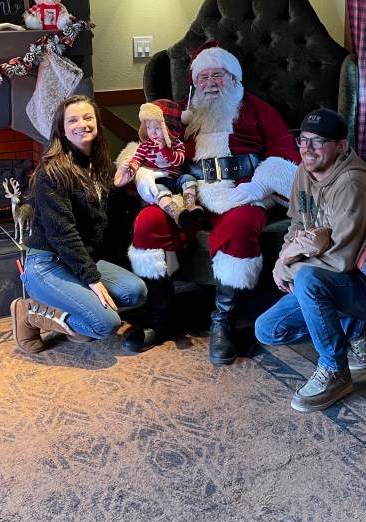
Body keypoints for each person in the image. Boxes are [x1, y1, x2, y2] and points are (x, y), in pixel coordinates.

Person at [123, 42, 299, 362]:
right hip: (186, 192)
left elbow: (285, 152)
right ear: (194, 82)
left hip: (240, 192)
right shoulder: (179, 112)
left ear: (233, 77)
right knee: (148, 223)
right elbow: (150, 144)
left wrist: (261, 184)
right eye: (203, 77)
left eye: (217, 75)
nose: (210, 83)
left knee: (241, 227)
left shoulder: (257, 109)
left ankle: (223, 322)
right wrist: (146, 174)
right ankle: (161, 317)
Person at [254, 107, 366, 413]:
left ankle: (335, 371)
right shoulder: (303, 172)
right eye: (303, 140)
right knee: (267, 329)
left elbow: (342, 260)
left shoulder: (353, 185)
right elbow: (296, 224)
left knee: (307, 280)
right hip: (328, 280)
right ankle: (354, 330)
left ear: (341, 146)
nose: (307, 149)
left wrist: (290, 267)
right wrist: (283, 259)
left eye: (318, 142)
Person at [10, 94, 148, 355]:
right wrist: (93, 280)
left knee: (136, 292)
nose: (82, 124)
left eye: (87, 118)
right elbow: (63, 233)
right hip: (48, 264)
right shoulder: (52, 172)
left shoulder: (98, 165)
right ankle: (28, 313)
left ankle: (76, 310)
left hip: (80, 258)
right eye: (72, 120)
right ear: (62, 129)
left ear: (96, 123)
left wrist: (118, 187)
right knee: (105, 325)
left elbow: (103, 221)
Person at [113, 99, 204, 228]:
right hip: (158, 181)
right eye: (149, 128)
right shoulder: (146, 146)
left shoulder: (177, 144)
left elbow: (179, 160)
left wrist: (166, 150)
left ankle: (190, 205)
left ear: (169, 129)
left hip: (175, 180)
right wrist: (132, 165)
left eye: (157, 128)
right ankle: (175, 211)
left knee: (189, 179)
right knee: (157, 192)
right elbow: (138, 159)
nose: (153, 132)